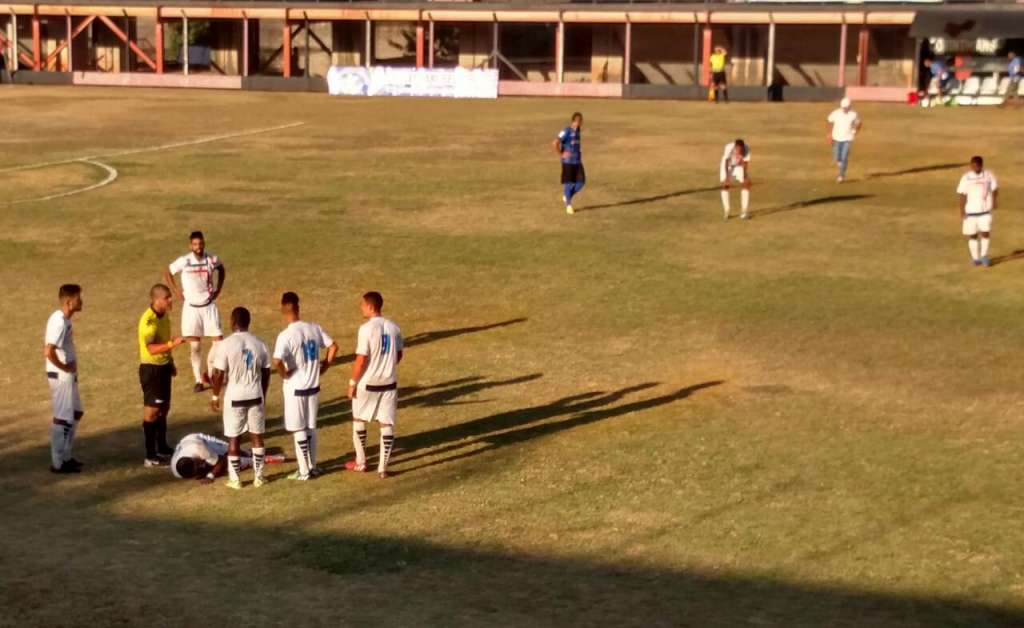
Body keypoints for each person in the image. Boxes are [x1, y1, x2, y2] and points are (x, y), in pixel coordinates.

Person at [272, 292, 338, 481]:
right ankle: (312, 466)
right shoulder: (314, 328)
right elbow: (333, 347)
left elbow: (276, 361)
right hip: (313, 386)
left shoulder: (285, 336)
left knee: (298, 428)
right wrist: (324, 366)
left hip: (296, 387)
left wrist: (284, 374)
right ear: (298, 308)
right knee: (310, 427)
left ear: (283, 310)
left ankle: (303, 471)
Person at [211, 307, 271, 489]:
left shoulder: (226, 344)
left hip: (235, 397)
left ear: (233, 322)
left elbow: (219, 374)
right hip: (255, 395)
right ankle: (259, 477)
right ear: (248, 321)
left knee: (234, 438)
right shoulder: (260, 343)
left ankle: (236, 480)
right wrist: (263, 393)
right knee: (257, 436)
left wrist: (215, 395)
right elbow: (266, 371)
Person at [345, 291, 403, 479]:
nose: (361, 308)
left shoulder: (366, 329)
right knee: (386, 423)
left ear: (370, 307)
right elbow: (399, 355)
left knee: (359, 419)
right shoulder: (394, 327)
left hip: (368, 383)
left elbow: (361, 359)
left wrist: (352, 382)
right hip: (389, 383)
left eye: (362, 305)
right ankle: (382, 468)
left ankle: (361, 462)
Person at [163, 231, 225, 393]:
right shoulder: (184, 261)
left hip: (209, 306)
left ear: (204, 244)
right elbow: (168, 272)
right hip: (191, 308)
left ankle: (210, 373)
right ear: (191, 246)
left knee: (218, 344)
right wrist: (176, 291)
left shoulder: (212, 259)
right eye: (195, 244)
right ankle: (198, 379)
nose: (198, 247)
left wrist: (218, 289)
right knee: (195, 345)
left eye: (201, 244)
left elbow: (221, 269)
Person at [138, 284, 185, 467]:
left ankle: (162, 446)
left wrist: (171, 362)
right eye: (167, 297)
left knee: (164, 409)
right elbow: (151, 347)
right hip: (152, 370)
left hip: (164, 367)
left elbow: (163, 342)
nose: (170, 300)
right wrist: (172, 345)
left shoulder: (164, 316)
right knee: (152, 412)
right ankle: (150, 456)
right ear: (157, 300)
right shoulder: (148, 321)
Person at [44, 284, 84, 474]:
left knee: (76, 412)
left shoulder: (63, 319)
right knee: (63, 418)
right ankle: (58, 463)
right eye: (78, 298)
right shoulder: (59, 322)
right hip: (60, 376)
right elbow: (48, 351)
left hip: (67, 375)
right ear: (69, 302)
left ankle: (66, 456)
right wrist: (65, 367)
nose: (81, 301)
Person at [170, 432, 283, 482]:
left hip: (203, 441)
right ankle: (257, 460)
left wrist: (210, 476)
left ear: (194, 460)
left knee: (232, 455)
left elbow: (221, 462)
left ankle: (255, 456)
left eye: (197, 467)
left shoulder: (199, 449)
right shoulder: (177, 472)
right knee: (230, 462)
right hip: (189, 443)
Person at [957, 156, 998, 268]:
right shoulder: (966, 177)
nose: (973, 167)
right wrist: (962, 210)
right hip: (970, 212)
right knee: (973, 235)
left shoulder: (988, 175)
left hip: (984, 211)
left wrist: (994, 201)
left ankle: (984, 256)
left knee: (985, 233)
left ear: (981, 165)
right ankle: (975, 259)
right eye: (972, 165)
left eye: (975, 165)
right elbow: (961, 193)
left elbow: (994, 189)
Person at [553, 112, 585, 215]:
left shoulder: (578, 130)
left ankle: (567, 196)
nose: (582, 123)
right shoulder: (566, 131)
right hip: (568, 162)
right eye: (581, 121)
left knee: (581, 182)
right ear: (576, 121)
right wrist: (561, 154)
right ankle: (568, 206)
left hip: (577, 161)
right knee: (568, 183)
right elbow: (555, 143)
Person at [827, 97, 861, 183]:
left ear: (849, 106)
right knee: (837, 157)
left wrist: (855, 130)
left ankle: (841, 175)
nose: (844, 109)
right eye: (843, 107)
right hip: (836, 138)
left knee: (844, 157)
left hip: (847, 138)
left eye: (846, 107)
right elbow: (830, 121)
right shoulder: (836, 113)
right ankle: (840, 163)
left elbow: (859, 123)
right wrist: (829, 135)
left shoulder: (853, 114)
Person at [719, 139, 751, 220]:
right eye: (738, 149)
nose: (740, 151)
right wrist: (727, 177)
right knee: (724, 185)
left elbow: (745, 163)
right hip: (728, 165)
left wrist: (744, 176)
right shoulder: (728, 147)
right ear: (735, 147)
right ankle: (727, 210)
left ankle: (744, 212)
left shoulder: (747, 148)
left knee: (746, 185)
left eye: (741, 150)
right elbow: (726, 161)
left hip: (739, 164)